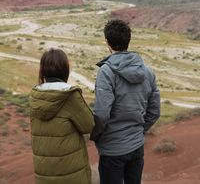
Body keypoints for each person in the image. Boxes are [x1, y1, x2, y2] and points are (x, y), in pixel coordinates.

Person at [90, 19, 160, 184]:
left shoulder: (106, 72)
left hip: (112, 150)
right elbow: (155, 111)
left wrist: (96, 135)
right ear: (128, 40)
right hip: (136, 147)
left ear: (107, 43)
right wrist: (138, 130)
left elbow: (101, 114)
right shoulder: (148, 72)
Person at [30, 48, 94, 184]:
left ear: (43, 70)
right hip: (71, 173)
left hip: (44, 173)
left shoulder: (35, 96)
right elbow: (89, 125)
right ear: (65, 69)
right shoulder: (70, 96)